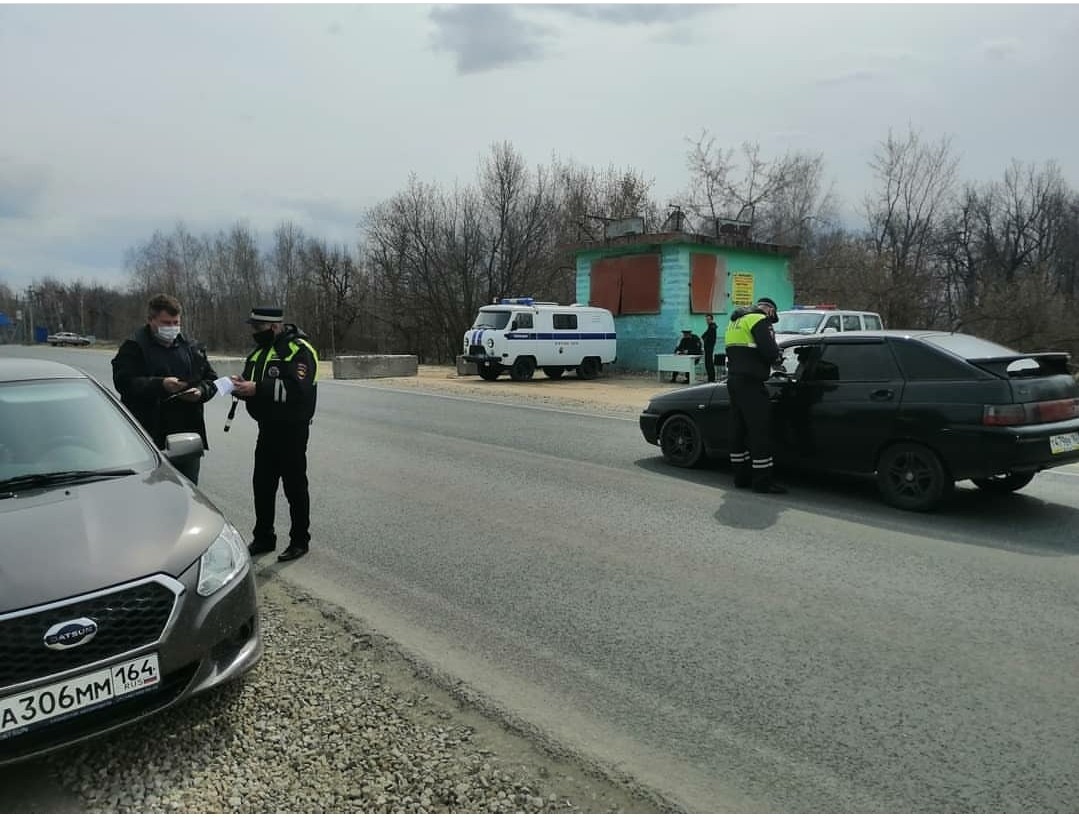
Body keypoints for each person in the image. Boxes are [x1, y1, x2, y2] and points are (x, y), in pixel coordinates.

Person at [230, 306, 319, 562]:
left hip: (292, 429)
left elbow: (298, 390)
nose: (254, 333)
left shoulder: (298, 350)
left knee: (294, 486)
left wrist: (257, 388)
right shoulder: (259, 353)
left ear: (274, 326)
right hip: (266, 428)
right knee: (262, 485)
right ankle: (264, 537)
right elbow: (250, 381)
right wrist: (239, 385)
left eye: (258, 328)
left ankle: (300, 540)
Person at [111, 293, 218, 484]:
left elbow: (211, 379)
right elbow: (124, 383)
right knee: (149, 495)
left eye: (176, 323)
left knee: (188, 494)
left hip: (186, 437)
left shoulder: (190, 347)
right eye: (166, 323)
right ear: (151, 320)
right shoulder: (134, 347)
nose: (172, 328)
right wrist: (160, 385)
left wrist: (201, 392)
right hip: (148, 437)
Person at [723, 296, 787, 494]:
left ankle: (741, 478)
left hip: (734, 380)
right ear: (769, 310)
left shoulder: (735, 321)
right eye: (772, 316)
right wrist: (778, 357)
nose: (771, 320)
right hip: (751, 383)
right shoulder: (759, 320)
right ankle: (762, 482)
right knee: (760, 431)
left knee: (738, 429)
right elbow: (769, 351)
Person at [701, 314, 718, 382]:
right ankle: (710, 378)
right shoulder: (710, 327)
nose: (707, 321)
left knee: (709, 363)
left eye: (708, 319)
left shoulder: (712, 327)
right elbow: (704, 335)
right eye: (706, 320)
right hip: (707, 347)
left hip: (709, 348)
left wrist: (704, 337)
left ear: (711, 319)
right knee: (708, 363)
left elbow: (707, 336)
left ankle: (711, 378)